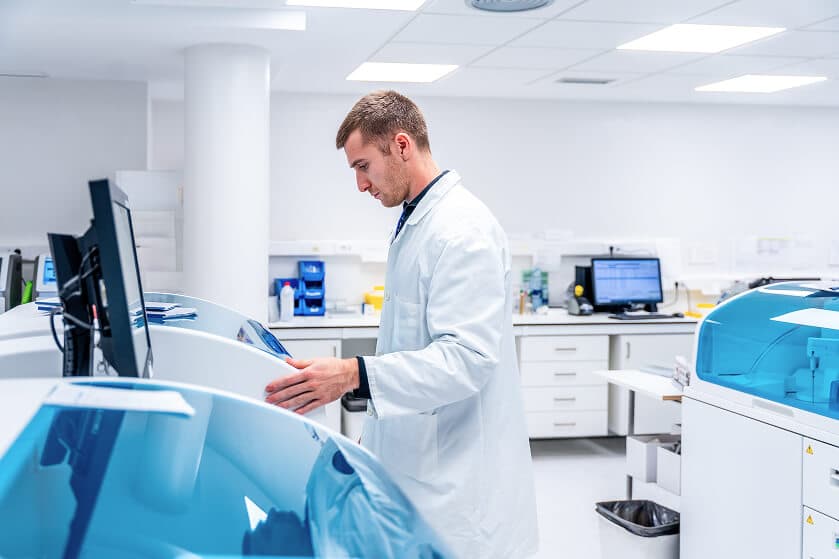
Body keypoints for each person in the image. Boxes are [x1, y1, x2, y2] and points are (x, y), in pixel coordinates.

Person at [264, 90, 538, 558]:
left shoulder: (463, 230)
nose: (361, 185)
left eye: (363, 166)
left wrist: (354, 374)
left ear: (402, 145)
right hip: (417, 468)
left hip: (459, 486)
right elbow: (407, 349)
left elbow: (466, 360)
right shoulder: (417, 222)